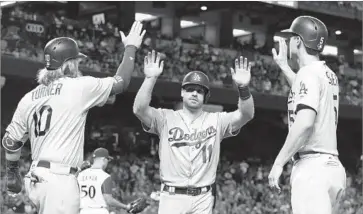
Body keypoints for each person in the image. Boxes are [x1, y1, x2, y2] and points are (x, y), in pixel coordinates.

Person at [2, 21, 146, 214]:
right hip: (58, 180)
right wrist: (131, 48)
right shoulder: (77, 86)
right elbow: (122, 82)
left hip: (36, 177)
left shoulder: (29, 98)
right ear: (68, 64)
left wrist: (12, 172)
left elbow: (11, 141)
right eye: (77, 61)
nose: (79, 65)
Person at [133, 50, 255, 214]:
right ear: (182, 92)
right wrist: (150, 78)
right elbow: (139, 110)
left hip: (203, 198)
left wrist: (243, 87)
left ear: (205, 96)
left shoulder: (217, 120)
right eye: (190, 89)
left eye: (199, 91)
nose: (194, 93)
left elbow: (246, 114)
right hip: (172, 196)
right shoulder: (165, 118)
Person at [268, 16, 346, 214]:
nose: (288, 41)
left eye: (291, 37)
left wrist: (279, 163)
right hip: (333, 169)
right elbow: (305, 90)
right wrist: (285, 67)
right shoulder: (327, 74)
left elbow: (305, 123)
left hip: (313, 170)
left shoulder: (307, 73)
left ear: (298, 41)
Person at [77, 148, 131, 214]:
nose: (107, 162)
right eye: (107, 159)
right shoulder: (105, 176)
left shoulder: (80, 175)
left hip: (84, 211)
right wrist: (126, 207)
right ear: (103, 159)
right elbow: (109, 200)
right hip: (99, 211)